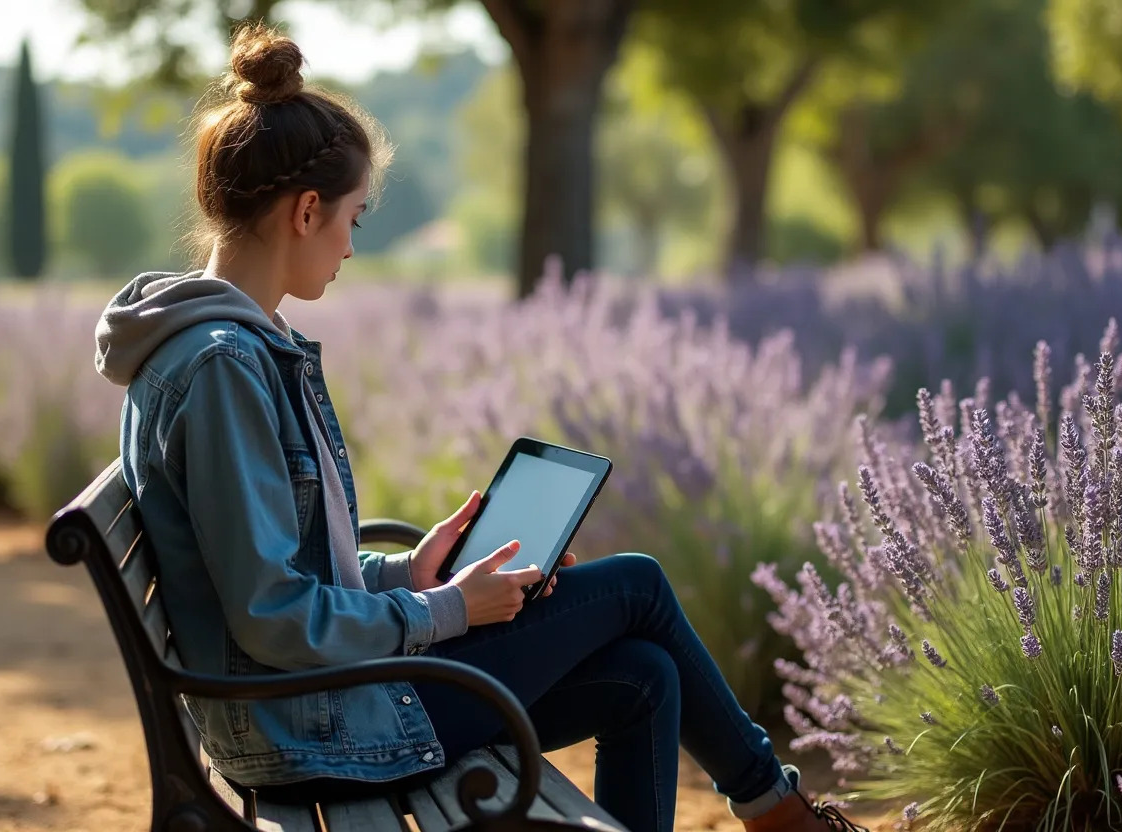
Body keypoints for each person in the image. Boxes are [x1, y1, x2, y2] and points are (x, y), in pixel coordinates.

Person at [92, 21, 866, 832]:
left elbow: (274, 571)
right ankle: (782, 812)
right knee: (636, 584)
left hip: (313, 703)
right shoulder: (223, 366)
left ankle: (777, 810)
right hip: (310, 729)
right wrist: (449, 610)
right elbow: (274, 613)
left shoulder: (231, 345)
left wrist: (408, 575)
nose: (353, 247)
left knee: (644, 675)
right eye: (354, 219)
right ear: (306, 210)